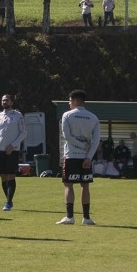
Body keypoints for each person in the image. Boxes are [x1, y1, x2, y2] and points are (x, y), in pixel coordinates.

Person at [57, 89, 100, 225]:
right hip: (85, 158)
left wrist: (81, 146)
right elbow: (96, 140)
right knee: (85, 186)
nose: (69, 103)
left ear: (75, 100)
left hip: (71, 155)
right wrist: (89, 157)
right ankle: (86, 218)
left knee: (68, 185)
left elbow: (67, 136)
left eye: (70, 100)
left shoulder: (67, 115)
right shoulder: (93, 117)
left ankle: (70, 217)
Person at [0, 94, 26, 211]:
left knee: (11, 175)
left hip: (12, 151)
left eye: (7, 100)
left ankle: (8, 202)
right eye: (3, 100)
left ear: (11, 102)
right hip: (0, 150)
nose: (4, 102)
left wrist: (13, 145)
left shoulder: (18, 116)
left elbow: (23, 133)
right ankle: (9, 200)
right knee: (3, 176)